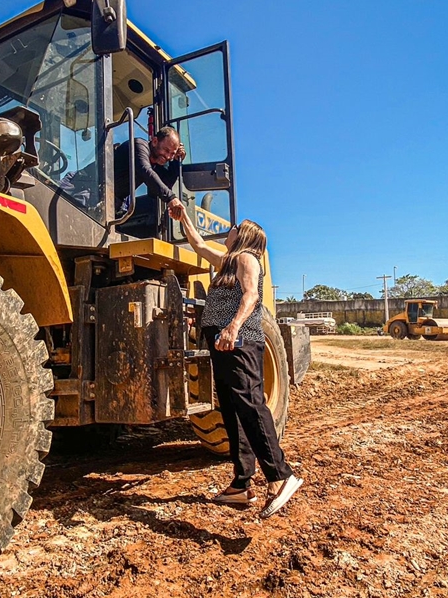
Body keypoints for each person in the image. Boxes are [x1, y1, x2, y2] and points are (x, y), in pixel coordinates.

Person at [170, 207, 303, 519]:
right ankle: (242, 483)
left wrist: (232, 328)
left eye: (234, 227)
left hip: (239, 341)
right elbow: (200, 246)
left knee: (250, 404)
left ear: (243, 236)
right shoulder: (228, 261)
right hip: (223, 343)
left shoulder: (246, 259)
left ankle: (280, 475)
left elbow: (250, 297)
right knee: (231, 409)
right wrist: (183, 218)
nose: (228, 229)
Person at [58, 126, 186, 221]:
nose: (168, 156)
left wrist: (176, 162)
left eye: (172, 153)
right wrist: (170, 198)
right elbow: (145, 170)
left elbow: (165, 184)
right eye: (166, 150)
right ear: (154, 141)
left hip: (102, 203)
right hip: (79, 188)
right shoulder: (138, 146)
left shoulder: (156, 164)